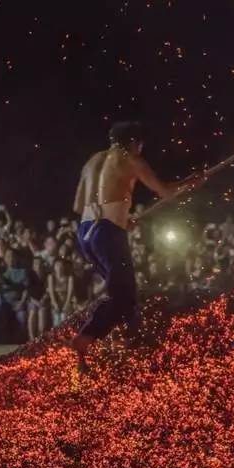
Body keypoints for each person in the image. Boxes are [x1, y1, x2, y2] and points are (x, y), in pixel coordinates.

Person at [70, 121, 201, 369]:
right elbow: (166, 193)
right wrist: (189, 183)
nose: (141, 148)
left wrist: (117, 216)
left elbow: (79, 206)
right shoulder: (130, 159)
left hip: (86, 232)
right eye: (140, 143)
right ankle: (86, 338)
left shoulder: (92, 161)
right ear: (133, 142)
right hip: (106, 233)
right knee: (123, 295)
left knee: (122, 292)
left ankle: (130, 339)